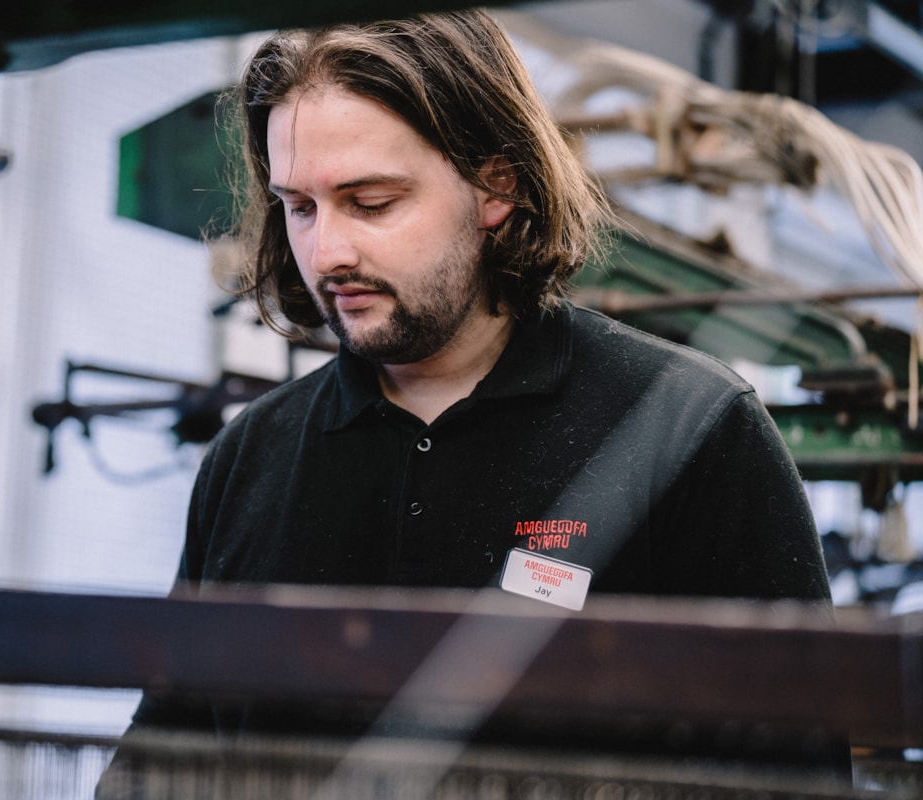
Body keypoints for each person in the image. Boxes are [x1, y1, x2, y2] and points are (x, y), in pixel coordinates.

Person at [98, 8, 841, 794]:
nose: (327, 252)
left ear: (495, 187)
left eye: (372, 201)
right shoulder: (251, 460)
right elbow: (167, 754)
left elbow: (795, 767)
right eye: (301, 206)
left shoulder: (694, 430)